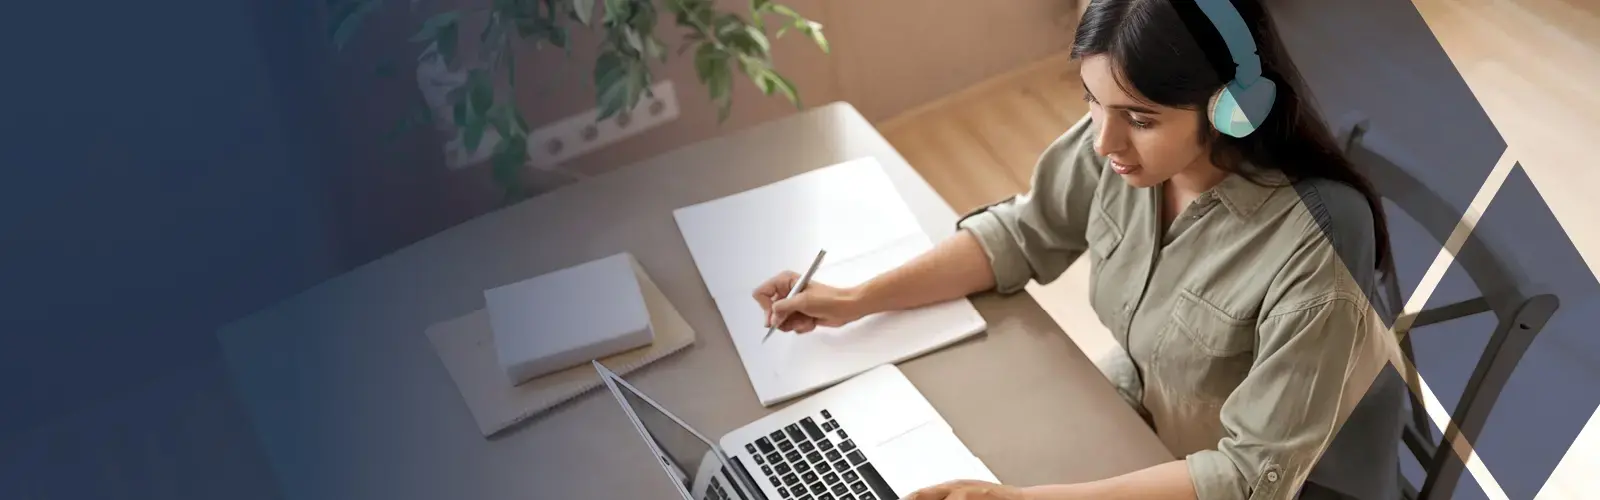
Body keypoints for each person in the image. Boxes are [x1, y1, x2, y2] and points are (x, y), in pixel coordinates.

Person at [750, 0, 1409, 499]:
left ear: (1233, 107)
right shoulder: (1125, 150)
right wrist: (855, 298)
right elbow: (1022, 234)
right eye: (1093, 102)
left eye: (1141, 119)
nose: (1104, 142)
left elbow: (1249, 475)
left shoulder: (1317, 237)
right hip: (1156, 420)